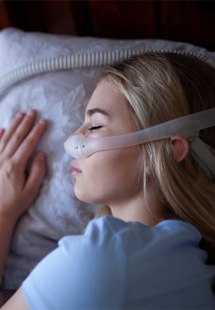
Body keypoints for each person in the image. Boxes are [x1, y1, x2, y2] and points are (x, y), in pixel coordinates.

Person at [0, 52, 215, 309]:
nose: (72, 140)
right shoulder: (189, 261)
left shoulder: (104, 258)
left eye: (95, 126)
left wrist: (3, 213)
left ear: (169, 151)